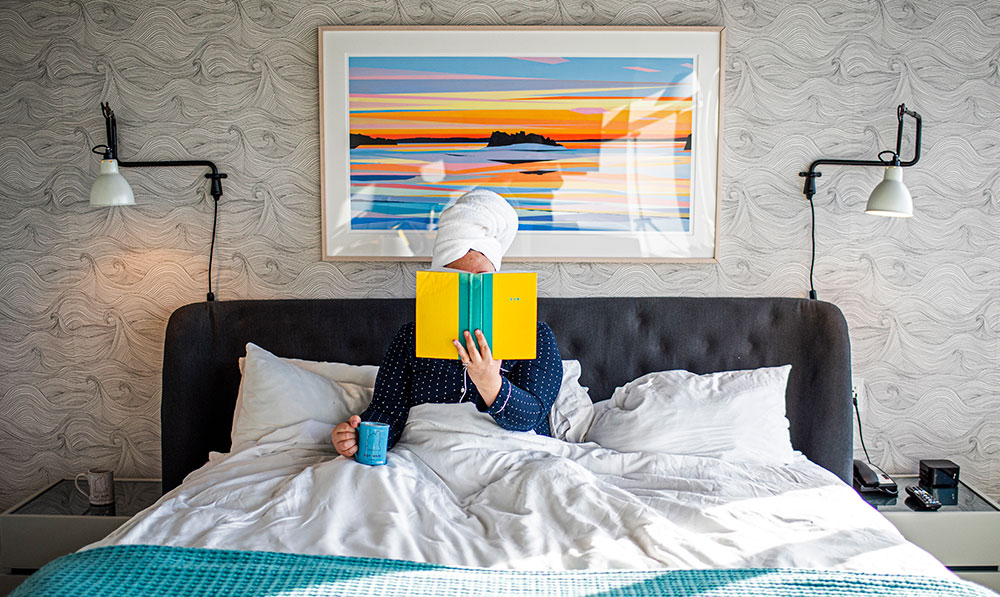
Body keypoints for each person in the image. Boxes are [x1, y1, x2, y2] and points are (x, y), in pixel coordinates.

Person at [332, 188, 563, 456]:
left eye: (481, 278)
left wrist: (491, 383)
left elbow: (532, 417)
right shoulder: (410, 338)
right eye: (456, 277)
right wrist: (355, 437)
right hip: (429, 452)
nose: (469, 289)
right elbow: (387, 413)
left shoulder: (535, 336)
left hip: (512, 452)